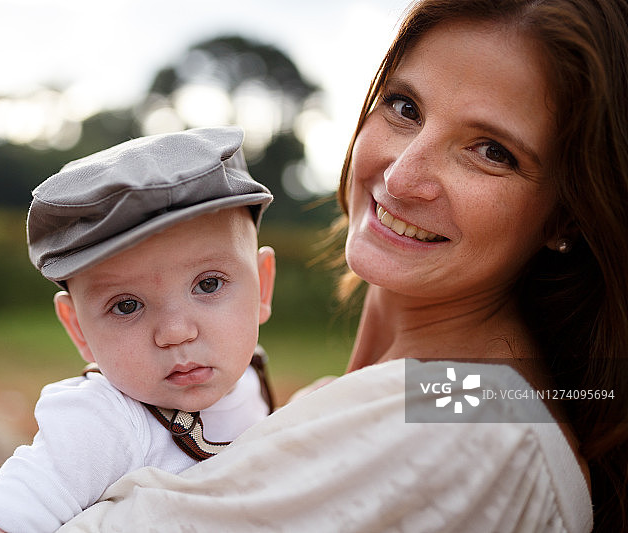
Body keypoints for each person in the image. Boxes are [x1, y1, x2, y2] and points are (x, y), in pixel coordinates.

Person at [48, 1, 628, 532]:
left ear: (567, 216)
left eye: (491, 151)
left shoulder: (466, 425)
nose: (400, 177)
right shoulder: (442, 401)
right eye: (405, 107)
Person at [0, 126, 277, 533]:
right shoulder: (105, 421)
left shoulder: (248, 372)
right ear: (78, 329)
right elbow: (0, 521)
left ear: (262, 286)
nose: (176, 332)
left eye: (209, 284)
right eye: (127, 305)